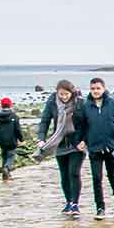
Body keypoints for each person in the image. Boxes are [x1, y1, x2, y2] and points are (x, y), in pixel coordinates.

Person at [76, 77, 114, 217]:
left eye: (98, 88)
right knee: (97, 178)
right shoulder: (86, 106)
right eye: (93, 89)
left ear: (103, 89)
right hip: (94, 148)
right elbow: (83, 127)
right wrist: (81, 141)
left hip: (111, 147)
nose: (95, 91)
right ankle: (100, 208)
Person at [37, 80, 85, 215]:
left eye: (66, 94)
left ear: (72, 92)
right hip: (59, 142)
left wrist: (84, 140)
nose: (64, 97)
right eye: (61, 94)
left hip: (76, 143)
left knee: (74, 173)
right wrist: (41, 138)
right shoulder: (52, 101)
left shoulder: (80, 102)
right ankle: (68, 202)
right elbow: (45, 120)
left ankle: (75, 203)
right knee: (64, 175)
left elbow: (86, 122)